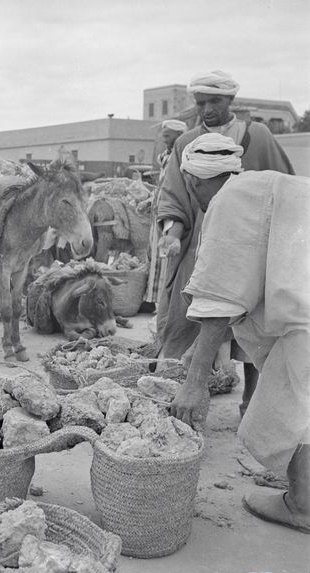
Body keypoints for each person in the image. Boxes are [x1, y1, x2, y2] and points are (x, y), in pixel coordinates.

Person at [170, 133, 309, 533]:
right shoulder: (265, 184)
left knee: (294, 404)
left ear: (194, 182)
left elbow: (221, 295)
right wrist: (199, 347)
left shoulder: (227, 202)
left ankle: (302, 505)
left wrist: (195, 383)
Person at [156, 70, 295, 360]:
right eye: (201, 102)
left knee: (255, 330)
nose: (207, 110)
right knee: (187, 320)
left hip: (250, 249)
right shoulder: (185, 144)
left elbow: (284, 190)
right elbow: (174, 197)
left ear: (231, 99)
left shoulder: (258, 137)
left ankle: (251, 402)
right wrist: (173, 235)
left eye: (215, 101)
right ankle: (174, 387)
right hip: (200, 247)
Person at [143, 119, 187, 306]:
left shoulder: (181, 158)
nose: (164, 139)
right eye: (163, 135)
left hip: (171, 213)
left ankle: (164, 300)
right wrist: (150, 200)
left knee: (165, 254)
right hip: (159, 211)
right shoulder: (165, 157)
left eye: (167, 136)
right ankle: (154, 299)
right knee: (155, 254)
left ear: (179, 137)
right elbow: (162, 186)